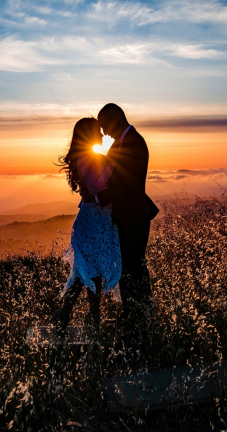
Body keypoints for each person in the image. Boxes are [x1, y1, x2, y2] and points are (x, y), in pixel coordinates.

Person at [51, 117, 122, 335]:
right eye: (98, 132)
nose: (102, 135)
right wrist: (111, 161)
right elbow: (94, 187)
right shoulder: (85, 158)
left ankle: (67, 317)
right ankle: (92, 323)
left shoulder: (90, 157)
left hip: (96, 221)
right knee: (91, 273)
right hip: (93, 223)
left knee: (84, 273)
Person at [96, 103, 159, 332]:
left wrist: (99, 197)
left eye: (105, 126)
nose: (104, 133)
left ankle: (139, 317)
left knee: (134, 266)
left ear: (115, 119)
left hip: (133, 216)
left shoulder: (134, 143)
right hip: (127, 216)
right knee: (129, 266)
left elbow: (127, 184)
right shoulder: (121, 143)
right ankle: (136, 314)